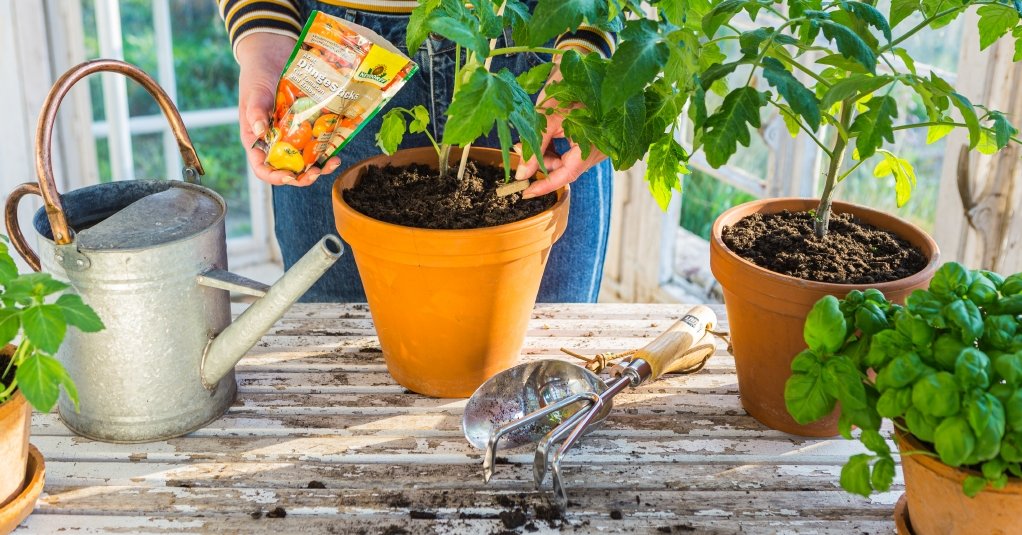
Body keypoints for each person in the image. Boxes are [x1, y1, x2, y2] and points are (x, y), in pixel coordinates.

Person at [218, 0, 614, 302]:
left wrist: (589, 46)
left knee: (543, 372)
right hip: (339, 57)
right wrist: (262, 31)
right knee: (339, 358)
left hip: (542, 41)